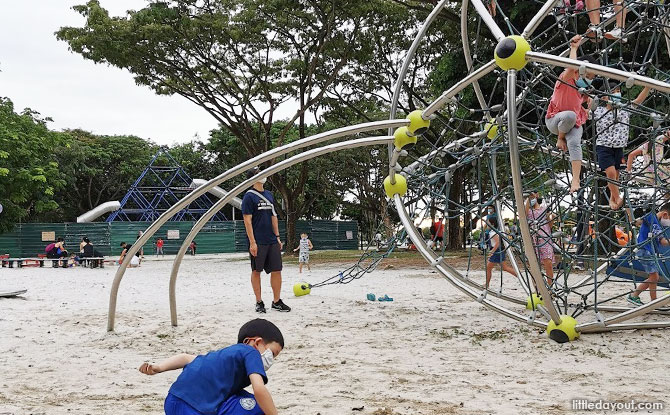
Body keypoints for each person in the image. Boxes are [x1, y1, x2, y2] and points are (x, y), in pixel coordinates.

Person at [139, 318, 283, 415]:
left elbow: (185, 358)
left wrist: (158, 368)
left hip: (172, 401)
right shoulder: (251, 352)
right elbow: (259, 389)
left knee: (239, 395)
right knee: (260, 407)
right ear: (255, 342)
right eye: (273, 353)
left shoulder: (223, 356)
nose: (271, 360)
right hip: (195, 407)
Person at [545, 35, 594, 193]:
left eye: (591, 78)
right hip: (555, 121)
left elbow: (582, 104)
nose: (588, 80)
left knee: (574, 143)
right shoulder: (565, 80)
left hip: (573, 123)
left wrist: (589, 104)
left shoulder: (581, 92)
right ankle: (560, 139)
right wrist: (574, 48)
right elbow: (572, 67)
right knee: (569, 116)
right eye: (587, 76)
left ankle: (575, 179)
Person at [594, 82, 651, 209]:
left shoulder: (624, 110)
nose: (617, 94)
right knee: (610, 173)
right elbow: (585, 109)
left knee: (616, 177)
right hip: (604, 147)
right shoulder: (598, 111)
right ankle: (618, 197)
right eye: (613, 92)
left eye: (618, 90)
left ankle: (612, 200)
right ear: (604, 97)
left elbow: (638, 100)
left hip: (619, 147)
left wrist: (647, 86)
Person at [241, 167, 291, 314]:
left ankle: (276, 301)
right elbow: (247, 221)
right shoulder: (249, 196)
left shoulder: (269, 195)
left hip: (271, 239)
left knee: (277, 270)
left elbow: (273, 216)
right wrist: (252, 242)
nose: (262, 175)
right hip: (258, 240)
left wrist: (277, 237)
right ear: (252, 178)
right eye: (258, 173)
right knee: (257, 270)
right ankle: (259, 301)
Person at [627, 203, 670, 305]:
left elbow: (663, 242)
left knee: (653, 276)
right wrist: (628, 210)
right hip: (644, 249)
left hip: (649, 251)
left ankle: (652, 300)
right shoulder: (650, 216)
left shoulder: (659, 226)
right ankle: (635, 295)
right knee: (654, 277)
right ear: (665, 215)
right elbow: (637, 222)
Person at [526, 192, 555, 286]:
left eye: (532, 195)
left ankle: (550, 287)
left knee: (548, 263)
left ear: (537, 195)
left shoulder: (544, 209)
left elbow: (549, 225)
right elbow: (524, 215)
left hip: (545, 237)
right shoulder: (528, 210)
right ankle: (537, 288)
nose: (531, 198)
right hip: (532, 239)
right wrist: (528, 200)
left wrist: (552, 219)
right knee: (534, 265)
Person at [485, 216, 518, 289]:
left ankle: (487, 285)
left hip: (497, 251)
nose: (487, 225)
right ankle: (519, 275)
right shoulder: (497, 231)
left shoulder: (493, 232)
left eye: (488, 223)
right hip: (500, 250)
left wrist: (492, 252)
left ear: (492, 224)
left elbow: (497, 243)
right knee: (505, 267)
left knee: (488, 268)